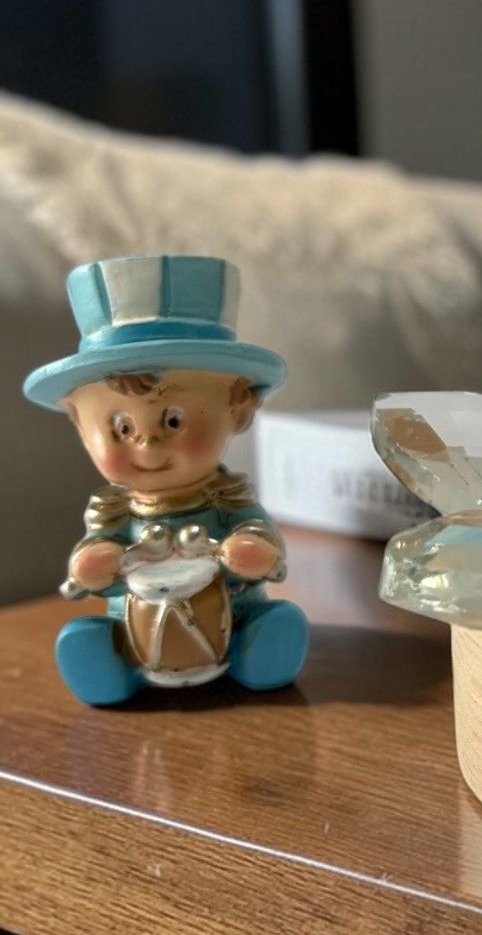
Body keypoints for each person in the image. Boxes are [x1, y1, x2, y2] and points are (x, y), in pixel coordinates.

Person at [23, 254, 309, 706]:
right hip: (133, 624)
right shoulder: (116, 512)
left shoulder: (226, 500)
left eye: (173, 421)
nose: (148, 446)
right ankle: (112, 663)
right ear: (79, 424)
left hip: (234, 615)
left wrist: (250, 551)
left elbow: (257, 535)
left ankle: (256, 649)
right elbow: (96, 553)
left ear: (238, 408)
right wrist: (96, 562)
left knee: (273, 619)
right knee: (86, 633)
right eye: (120, 428)